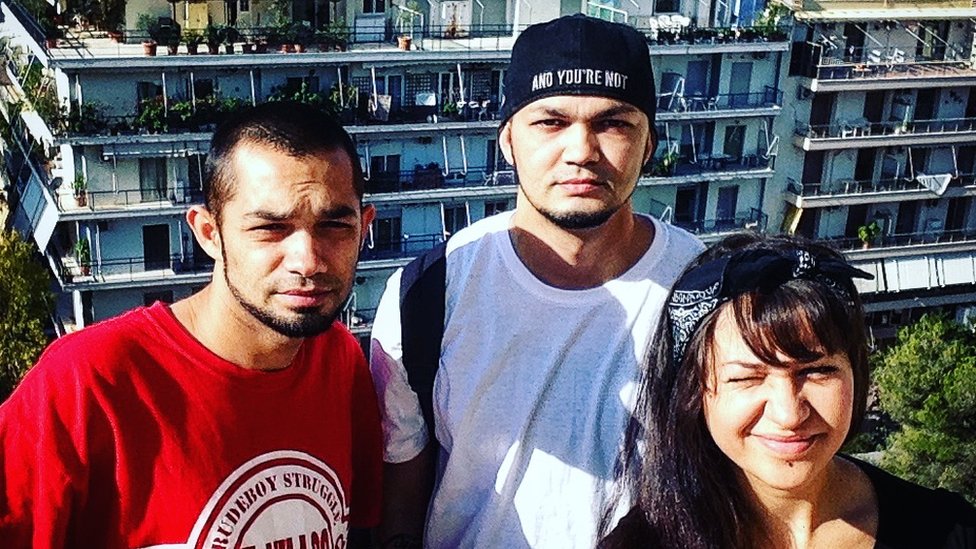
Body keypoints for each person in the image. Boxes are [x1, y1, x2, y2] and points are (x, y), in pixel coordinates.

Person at [369, 14, 704, 548]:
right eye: (551, 122)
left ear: (648, 145)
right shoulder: (428, 294)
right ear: (507, 141)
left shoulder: (706, 289)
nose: (581, 151)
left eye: (613, 123)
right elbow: (402, 498)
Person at [0, 101, 383, 548]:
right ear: (208, 234)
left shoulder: (339, 359)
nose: (308, 260)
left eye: (334, 226)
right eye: (270, 228)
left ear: (364, 228)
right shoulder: (87, 381)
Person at [600, 233, 976, 548]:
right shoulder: (644, 543)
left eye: (817, 371)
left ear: (855, 373)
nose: (789, 414)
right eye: (746, 378)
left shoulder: (945, 531)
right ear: (695, 391)